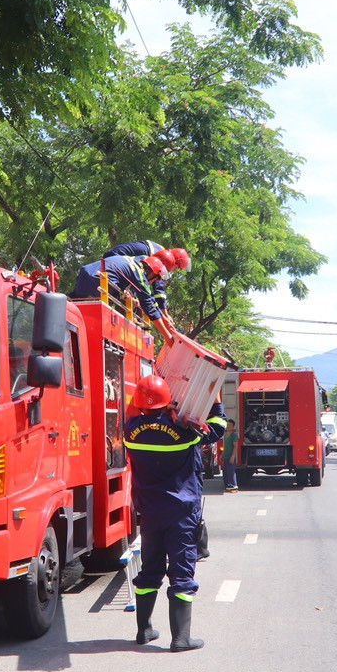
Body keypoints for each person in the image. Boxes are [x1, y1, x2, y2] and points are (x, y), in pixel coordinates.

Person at [124, 376, 227, 651]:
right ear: (167, 401)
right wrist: (215, 401)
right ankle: (181, 638)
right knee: (181, 572)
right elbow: (217, 429)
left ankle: (144, 631)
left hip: (150, 512)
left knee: (149, 571)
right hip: (181, 513)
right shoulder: (185, 430)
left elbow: (136, 412)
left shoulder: (130, 430)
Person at [69, 254, 175, 337]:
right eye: (156, 279)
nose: (153, 282)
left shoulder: (131, 261)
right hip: (101, 282)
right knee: (123, 298)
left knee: (75, 300)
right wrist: (167, 336)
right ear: (152, 273)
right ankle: (128, 321)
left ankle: (67, 299)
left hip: (84, 275)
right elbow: (149, 306)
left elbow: (147, 297)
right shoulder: (139, 274)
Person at [222, 419, 239, 493]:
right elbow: (225, 447)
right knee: (225, 473)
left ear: (233, 427)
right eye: (227, 425)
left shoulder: (234, 435)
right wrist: (221, 455)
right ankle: (228, 487)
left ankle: (234, 487)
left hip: (230, 457)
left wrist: (233, 456)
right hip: (225, 456)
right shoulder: (225, 435)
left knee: (231, 472)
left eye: (230, 425)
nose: (228, 427)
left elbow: (235, 446)